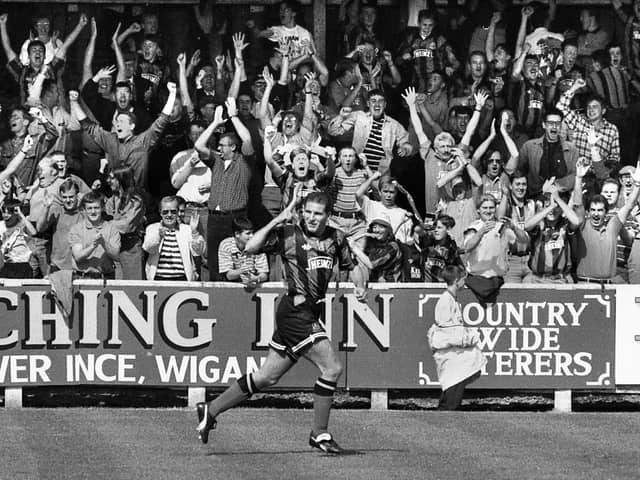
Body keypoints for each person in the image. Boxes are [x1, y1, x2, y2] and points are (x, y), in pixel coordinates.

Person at [196, 190, 367, 454]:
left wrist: (359, 286)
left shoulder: (336, 238)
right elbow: (249, 247)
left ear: (327, 216)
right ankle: (319, 434)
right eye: (307, 212)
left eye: (317, 213)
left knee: (267, 377)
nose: (311, 218)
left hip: (310, 311)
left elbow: (351, 265)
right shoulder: (289, 234)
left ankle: (211, 409)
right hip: (296, 312)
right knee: (332, 368)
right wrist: (279, 219)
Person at [427, 265, 486, 410]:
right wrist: (466, 338)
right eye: (463, 280)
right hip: (448, 351)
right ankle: (445, 411)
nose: (464, 283)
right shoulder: (445, 301)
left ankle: (447, 409)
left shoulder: (452, 299)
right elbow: (446, 331)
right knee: (454, 382)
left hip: (453, 351)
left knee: (457, 379)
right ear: (457, 281)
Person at [142, 196, 204, 281]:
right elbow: (148, 248)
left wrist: (194, 232)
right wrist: (158, 237)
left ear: (178, 212)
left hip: (182, 279)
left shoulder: (186, 230)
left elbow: (198, 252)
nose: (169, 215)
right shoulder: (152, 228)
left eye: (173, 211)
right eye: (165, 212)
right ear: (160, 213)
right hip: (158, 279)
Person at [68, 192, 121, 279]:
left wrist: (104, 243)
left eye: (96, 208)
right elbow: (78, 256)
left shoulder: (112, 229)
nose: (93, 212)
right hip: (81, 277)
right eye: (89, 208)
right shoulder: (76, 229)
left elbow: (116, 256)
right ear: (84, 210)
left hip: (106, 277)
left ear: (102, 208)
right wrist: (93, 245)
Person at [218, 217, 269, 287]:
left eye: (252, 232)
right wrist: (241, 271)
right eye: (248, 233)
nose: (252, 236)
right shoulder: (226, 245)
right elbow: (229, 276)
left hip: (254, 286)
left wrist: (256, 278)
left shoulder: (257, 244)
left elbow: (264, 275)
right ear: (237, 234)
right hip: (232, 286)